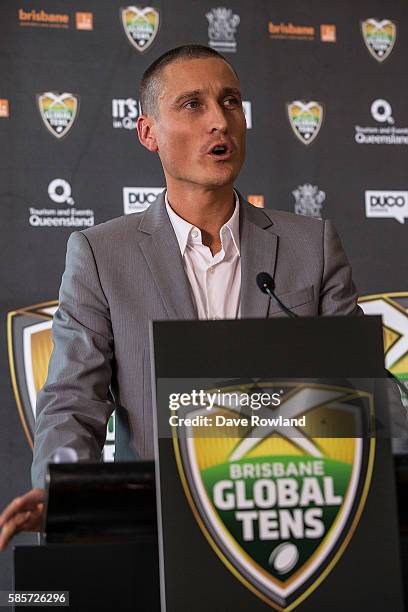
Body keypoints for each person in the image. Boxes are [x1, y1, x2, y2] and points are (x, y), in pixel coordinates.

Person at [0, 44, 363, 550]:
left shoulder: (314, 245)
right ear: (148, 132)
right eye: (193, 104)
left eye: (231, 101)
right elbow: (73, 401)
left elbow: (364, 389)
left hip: (294, 523)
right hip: (161, 533)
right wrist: (59, 490)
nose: (219, 120)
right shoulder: (101, 255)